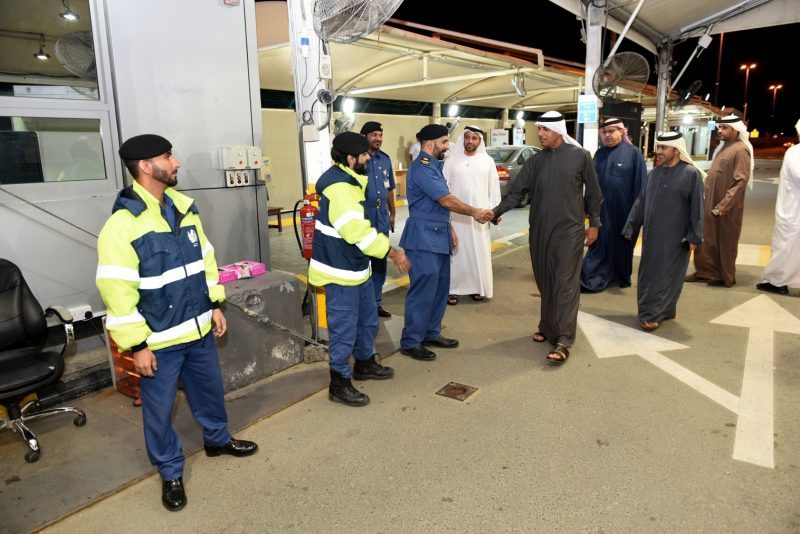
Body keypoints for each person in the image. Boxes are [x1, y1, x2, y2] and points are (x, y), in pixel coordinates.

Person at [96, 134, 258, 512]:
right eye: (168, 157)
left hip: (199, 327)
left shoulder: (186, 209)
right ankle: (170, 470)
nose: (177, 163)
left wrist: (215, 303)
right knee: (159, 409)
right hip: (159, 341)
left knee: (209, 392)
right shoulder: (122, 227)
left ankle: (217, 440)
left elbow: (205, 259)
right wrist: (136, 345)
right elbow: (116, 292)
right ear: (146, 167)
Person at [489, 111, 602, 364]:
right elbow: (515, 193)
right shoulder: (535, 162)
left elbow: (594, 194)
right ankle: (548, 326)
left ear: (559, 131)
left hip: (569, 231)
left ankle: (563, 338)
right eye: (539, 129)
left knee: (565, 283)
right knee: (545, 280)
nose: (540, 134)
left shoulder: (580, 157)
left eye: (545, 130)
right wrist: (495, 212)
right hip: (539, 230)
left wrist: (594, 223)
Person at [308, 131, 410, 407]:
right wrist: (391, 251)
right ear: (351, 159)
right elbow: (357, 233)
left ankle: (364, 362)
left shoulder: (352, 181)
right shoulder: (340, 189)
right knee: (343, 329)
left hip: (357, 269)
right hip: (339, 273)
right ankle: (339, 382)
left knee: (367, 319)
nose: (369, 157)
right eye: (365, 154)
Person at [399, 123, 493, 362]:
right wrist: (474, 212)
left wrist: (450, 227)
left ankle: (431, 333)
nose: (447, 147)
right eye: (444, 142)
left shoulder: (434, 166)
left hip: (438, 233)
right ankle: (411, 341)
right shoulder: (422, 168)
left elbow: (441, 205)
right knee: (422, 290)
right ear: (430, 143)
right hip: (422, 237)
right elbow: (446, 199)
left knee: (440, 288)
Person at [622, 132, 705, 331]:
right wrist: (631, 225)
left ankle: (652, 314)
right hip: (652, 237)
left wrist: (694, 235)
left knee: (665, 275)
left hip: (676, 237)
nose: (658, 152)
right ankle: (666, 309)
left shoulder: (691, 174)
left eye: (662, 148)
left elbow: (698, 208)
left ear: (676, 150)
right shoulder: (655, 173)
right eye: (657, 147)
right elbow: (641, 201)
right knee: (648, 274)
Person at [580, 117, 647, 292]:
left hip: (625, 212)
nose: (608, 135)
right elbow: (592, 185)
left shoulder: (634, 153)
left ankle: (619, 278)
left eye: (612, 131)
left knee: (622, 248)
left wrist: (635, 218)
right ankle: (591, 279)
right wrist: (586, 209)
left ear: (621, 132)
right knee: (599, 246)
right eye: (605, 132)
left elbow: (641, 187)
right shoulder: (600, 154)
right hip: (601, 212)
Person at [685, 114, 753, 287]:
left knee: (725, 241)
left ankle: (725, 276)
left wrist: (724, 205)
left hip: (726, 206)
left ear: (735, 131)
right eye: (719, 127)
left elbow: (741, 180)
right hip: (711, 202)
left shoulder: (740, 149)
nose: (720, 131)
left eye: (724, 128)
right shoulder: (724, 147)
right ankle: (705, 272)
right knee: (707, 238)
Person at [443, 125, 501, 304]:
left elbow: (494, 189)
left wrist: (495, 212)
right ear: (463, 139)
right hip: (457, 217)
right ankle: (452, 289)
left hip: (480, 218)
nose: (470, 141)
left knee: (479, 253)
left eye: (474, 138)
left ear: (480, 141)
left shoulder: (487, 161)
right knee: (457, 253)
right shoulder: (452, 160)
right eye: (467, 138)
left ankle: (478, 288)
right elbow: (444, 189)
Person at [757, 117, 800, 295]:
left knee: (786, 247)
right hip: (793, 210)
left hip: (793, 212)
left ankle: (776, 281)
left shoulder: (795, 152)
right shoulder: (795, 153)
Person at [360, 121, 397, 318]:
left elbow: (390, 188)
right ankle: (363, 305)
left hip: (381, 216)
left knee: (380, 262)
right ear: (364, 136)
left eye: (380, 135)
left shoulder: (386, 160)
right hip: (364, 217)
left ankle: (376, 303)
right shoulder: (358, 159)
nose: (378, 139)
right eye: (374, 135)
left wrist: (393, 213)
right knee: (362, 262)